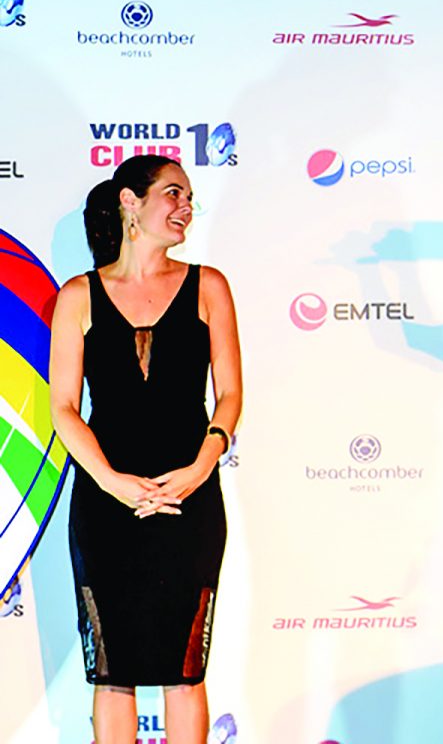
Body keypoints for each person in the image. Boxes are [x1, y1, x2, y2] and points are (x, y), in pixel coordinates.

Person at [49, 155, 242, 744]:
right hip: (107, 506)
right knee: (114, 674)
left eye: (189, 197)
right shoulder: (78, 296)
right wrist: (113, 482)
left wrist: (199, 468)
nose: (186, 207)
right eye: (173, 193)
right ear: (131, 203)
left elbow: (230, 395)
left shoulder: (209, 286)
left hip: (190, 500)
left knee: (185, 672)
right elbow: (64, 409)